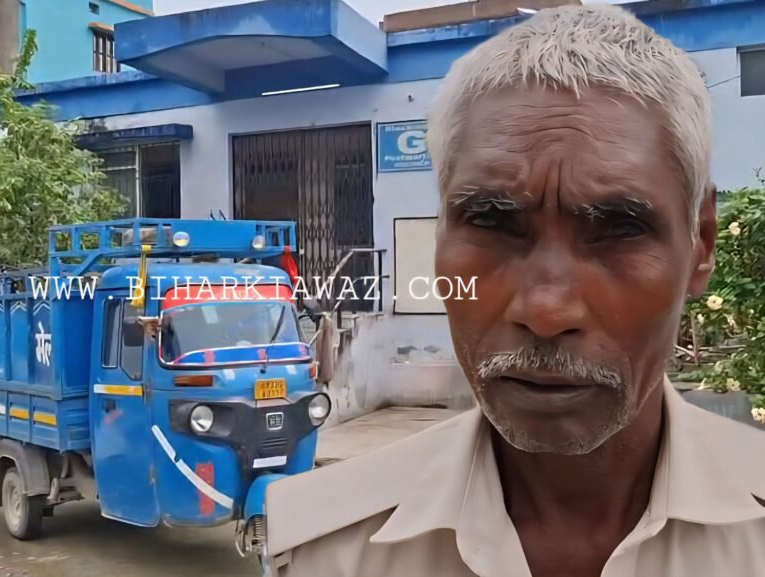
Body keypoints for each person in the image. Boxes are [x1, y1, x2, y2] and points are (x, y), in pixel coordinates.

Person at [263, 5, 765, 577]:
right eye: (492, 222)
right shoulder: (324, 550)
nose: (546, 310)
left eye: (621, 228)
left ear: (701, 243)